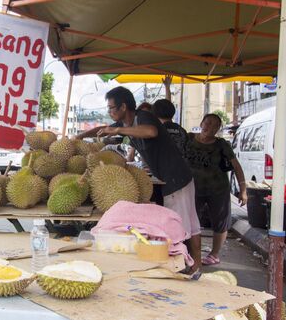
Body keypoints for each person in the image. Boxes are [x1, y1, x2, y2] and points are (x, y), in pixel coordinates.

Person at [76, 86, 202, 272]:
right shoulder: (127, 125)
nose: (109, 112)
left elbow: (151, 132)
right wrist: (80, 136)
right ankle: (195, 265)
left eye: (112, 108)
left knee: (179, 227)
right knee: (190, 224)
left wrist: (118, 129)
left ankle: (184, 266)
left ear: (123, 106)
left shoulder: (143, 117)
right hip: (176, 177)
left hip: (175, 178)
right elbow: (104, 129)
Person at [185, 113, 248, 266]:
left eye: (215, 126)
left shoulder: (222, 144)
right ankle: (188, 252)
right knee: (189, 221)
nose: (210, 127)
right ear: (201, 123)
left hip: (218, 189)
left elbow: (236, 166)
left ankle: (214, 254)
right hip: (193, 189)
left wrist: (243, 189)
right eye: (208, 123)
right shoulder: (188, 139)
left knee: (220, 222)